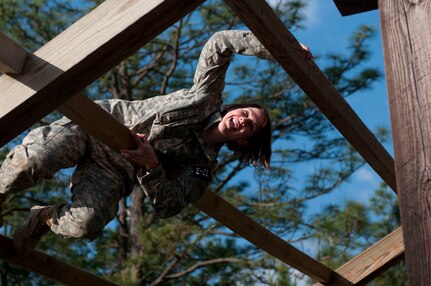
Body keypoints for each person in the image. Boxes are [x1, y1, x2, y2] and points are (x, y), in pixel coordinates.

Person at [0, 30, 312, 255]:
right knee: (30, 164)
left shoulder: (202, 167)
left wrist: (151, 166)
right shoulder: (205, 98)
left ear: (244, 141)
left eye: (250, 127)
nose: (243, 120)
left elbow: (169, 205)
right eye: (245, 113)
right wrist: (279, 48)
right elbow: (221, 42)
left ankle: (42, 217)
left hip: (116, 171)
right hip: (99, 127)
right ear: (233, 109)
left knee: (85, 225)